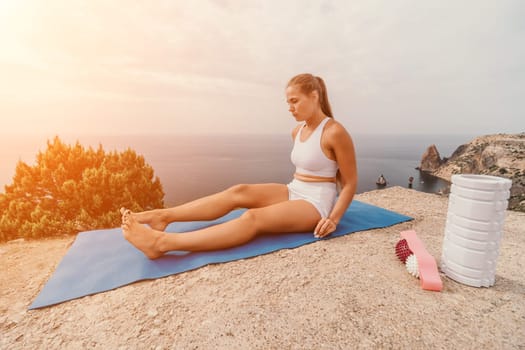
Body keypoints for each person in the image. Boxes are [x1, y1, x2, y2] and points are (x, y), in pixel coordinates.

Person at [121, 73, 358, 259]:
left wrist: (334, 219)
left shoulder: (335, 132)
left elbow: (349, 183)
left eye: (295, 101)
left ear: (314, 96)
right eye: (288, 102)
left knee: (253, 218)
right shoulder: (297, 131)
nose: (290, 108)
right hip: (295, 189)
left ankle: (160, 244)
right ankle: (162, 216)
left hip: (317, 203)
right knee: (239, 191)